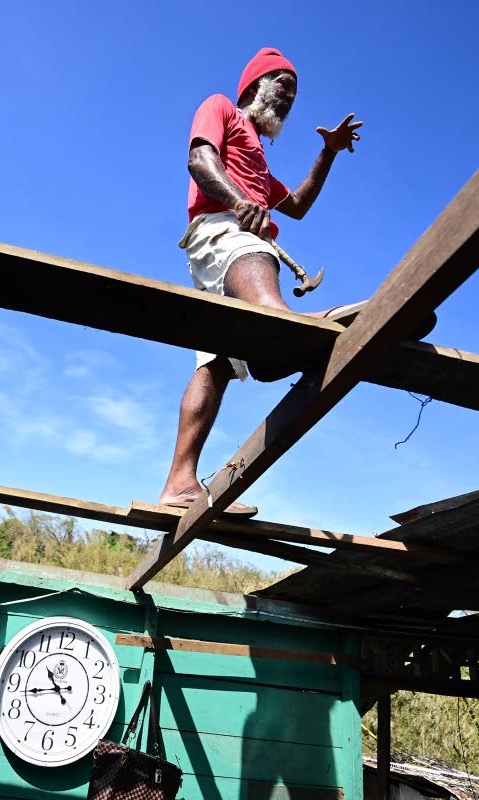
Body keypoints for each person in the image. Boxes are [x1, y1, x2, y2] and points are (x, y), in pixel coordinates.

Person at [157, 47, 367, 516]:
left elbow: (295, 206)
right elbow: (199, 161)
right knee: (258, 258)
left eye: (294, 93)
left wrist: (327, 153)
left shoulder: (259, 161)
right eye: (282, 85)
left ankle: (179, 484)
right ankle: (289, 332)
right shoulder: (221, 108)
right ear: (254, 84)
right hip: (223, 232)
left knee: (215, 365)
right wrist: (240, 202)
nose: (289, 97)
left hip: (218, 247)